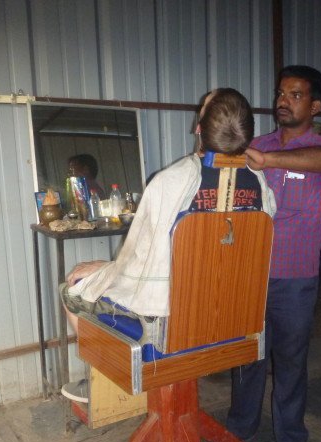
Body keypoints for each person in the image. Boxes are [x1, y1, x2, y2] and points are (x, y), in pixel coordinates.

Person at [59, 88, 276, 400]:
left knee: (72, 288)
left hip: (170, 331)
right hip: (236, 327)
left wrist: (105, 268)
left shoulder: (170, 181)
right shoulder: (260, 184)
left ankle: (108, 378)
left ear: (199, 127)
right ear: (247, 135)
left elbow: (140, 261)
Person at [223, 66, 321, 442]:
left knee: (291, 362)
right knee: (248, 358)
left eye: (294, 95)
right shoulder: (257, 141)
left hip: (296, 278)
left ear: (315, 105)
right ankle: (240, 428)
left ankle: (291, 440)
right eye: (280, 93)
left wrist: (268, 160)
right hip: (252, 273)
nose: (283, 101)